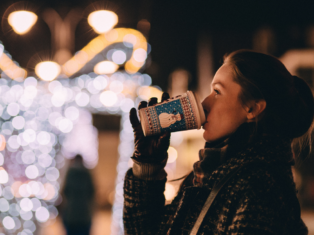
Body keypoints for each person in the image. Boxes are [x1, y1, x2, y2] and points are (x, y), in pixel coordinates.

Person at [123, 50, 314, 234]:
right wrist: (148, 165)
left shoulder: (258, 186)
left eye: (217, 92)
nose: (205, 103)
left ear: (252, 109)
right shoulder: (211, 173)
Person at [60, 154, 95, 235]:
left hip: (71, 214)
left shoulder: (70, 173)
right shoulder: (87, 174)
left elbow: (65, 191)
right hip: (84, 214)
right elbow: (92, 192)